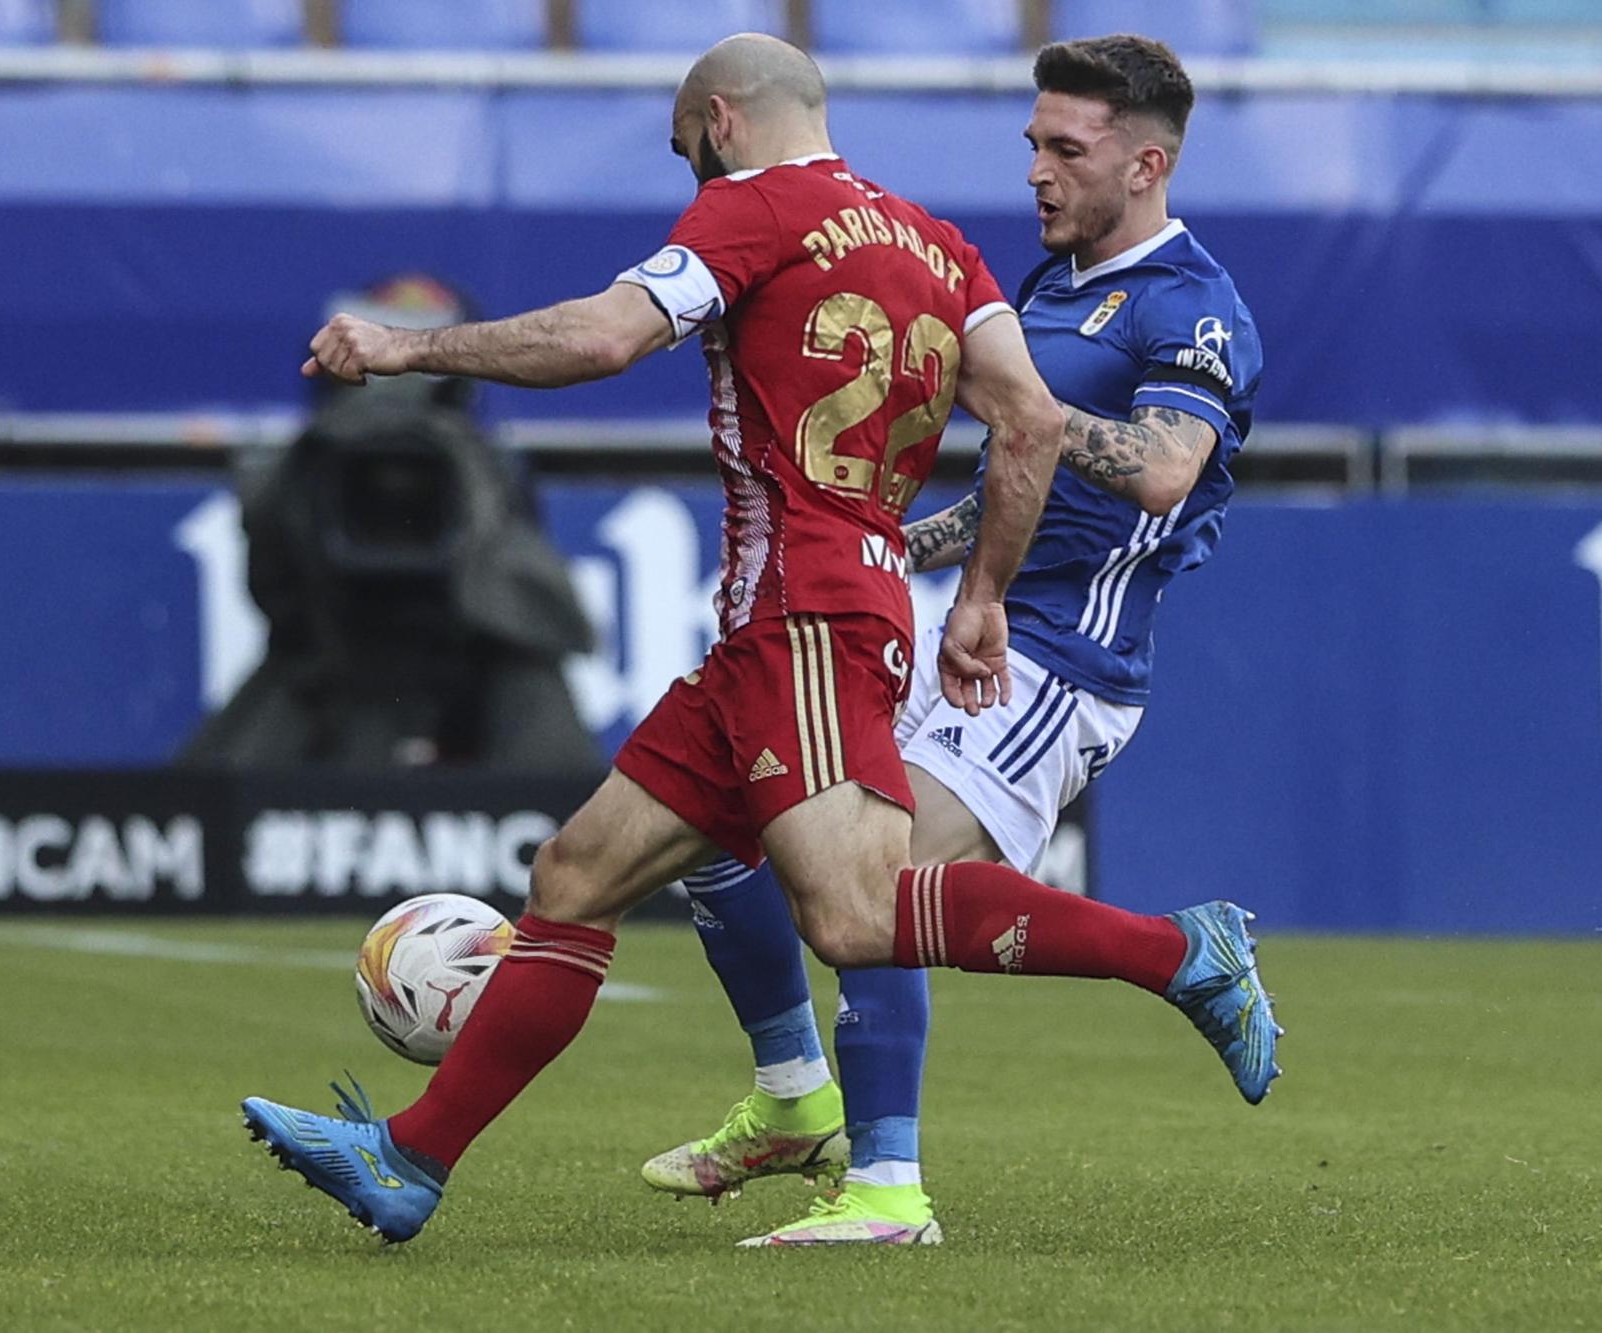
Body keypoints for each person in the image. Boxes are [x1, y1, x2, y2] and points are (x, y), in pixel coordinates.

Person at [239, 33, 1276, 1246]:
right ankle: (416, 1157)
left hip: (858, 626)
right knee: (580, 873)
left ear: (722, 123)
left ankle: (1144, 977)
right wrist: (961, 573)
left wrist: (404, 347)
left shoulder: (756, 211)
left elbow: (599, 340)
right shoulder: (946, 247)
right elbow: (1026, 427)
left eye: (691, 155)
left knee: (851, 913)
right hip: (802, 620)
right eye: (1032, 145)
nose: (1038, 170)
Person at [642, 34, 1274, 1248]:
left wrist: (1033, 414)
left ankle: (887, 1190)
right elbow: (1001, 487)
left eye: (1064, 148)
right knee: (709, 825)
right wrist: (887, 547)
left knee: (869, 892)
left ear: (1145, 164)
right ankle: (791, 1097)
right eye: (1030, 142)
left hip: (1058, 660)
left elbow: (1161, 471)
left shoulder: (1191, 306)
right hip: (962, 623)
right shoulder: (1049, 288)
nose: (1036, 169)